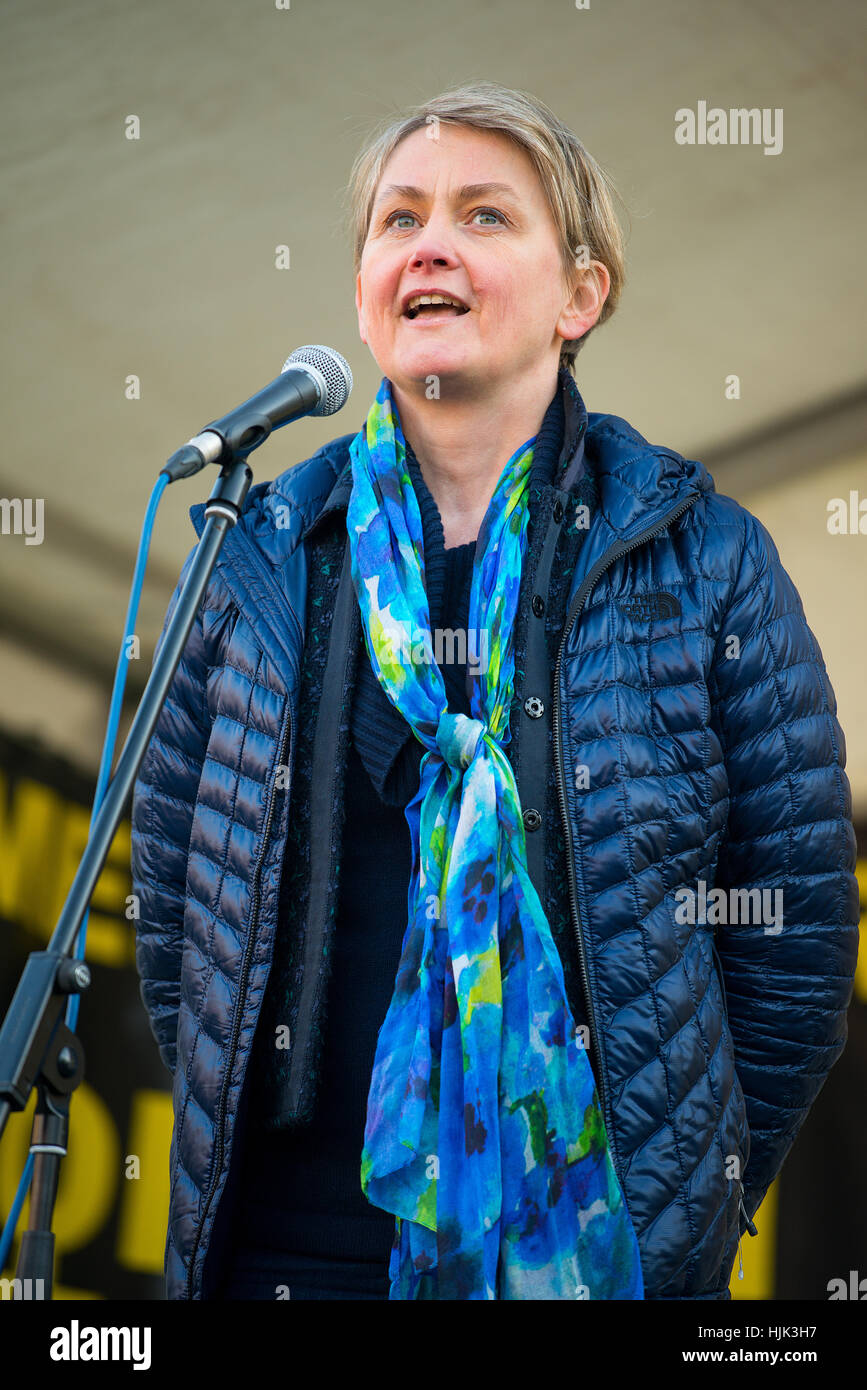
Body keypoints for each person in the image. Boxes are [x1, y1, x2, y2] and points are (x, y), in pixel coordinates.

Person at [130, 81, 859, 1301]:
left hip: (587, 1255)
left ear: (583, 293)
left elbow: (792, 941)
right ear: (366, 288)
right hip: (281, 1252)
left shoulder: (702, 558)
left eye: (483, 216)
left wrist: (685, 1200)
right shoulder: (258, 556)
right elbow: (175, 908)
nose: (429, 244)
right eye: (398, 218)